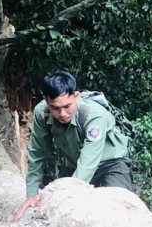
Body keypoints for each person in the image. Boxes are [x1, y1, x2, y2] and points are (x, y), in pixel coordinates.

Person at [14, 69, 136, 217]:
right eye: (55, 108)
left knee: (119, 211)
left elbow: (88, 163)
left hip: (110, 165)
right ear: (46, 101)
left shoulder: (94, 117)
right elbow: (37, 153)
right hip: (73, 165)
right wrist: (31, 195)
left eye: (67, 106)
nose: (62, 114)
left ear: (76, 96)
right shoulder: (41, 112)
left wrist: (64, 195)